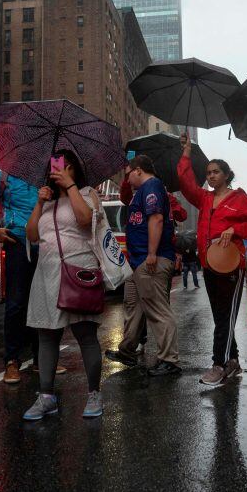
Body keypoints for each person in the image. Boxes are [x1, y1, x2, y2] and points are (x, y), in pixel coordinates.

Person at [177, 133, 247, 385]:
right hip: (209, 266)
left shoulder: (239, 199)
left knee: (225, 318)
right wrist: (186, 153)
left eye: (216, 172)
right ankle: (233, 360)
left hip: (231, 267)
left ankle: (218, 364)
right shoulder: (204, 199)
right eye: (208, 173)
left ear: (226, 174)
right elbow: (186, 183)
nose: (211, 176)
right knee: (221, 318)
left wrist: (235, 230)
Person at [22, 150, 104, 420]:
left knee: (86, 335)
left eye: (66, 166)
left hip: (79, 273)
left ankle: (94, 394)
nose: (61, 170)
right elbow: (32, 235)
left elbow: (84, 220)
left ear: (74, 169)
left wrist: (70, 187)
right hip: (46, 275)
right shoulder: (46, 200)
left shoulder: (88, 193)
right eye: (57, 166)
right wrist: (38, 203)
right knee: (46, 337)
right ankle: (46, 398)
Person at [0, 166, 67, 384]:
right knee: (16, 303)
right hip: (18, 245)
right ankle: (12, 361)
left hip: (50, 246)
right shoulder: (3, 176)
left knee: (49, 302)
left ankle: (41, 359)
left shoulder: (52, 173)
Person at [105, 155, 181, 376]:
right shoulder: (142, 191)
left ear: (138, 170)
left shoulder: (152, 186)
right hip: (137, 262)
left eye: (128, 174)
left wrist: (151, 253)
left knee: (158, 310)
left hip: (150, 260)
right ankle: (127, 350)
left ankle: (170, 360)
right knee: (133, 305)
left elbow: (156, 218)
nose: (127, 179)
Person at [118, 176, 188, 351]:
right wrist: (127, 179)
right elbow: (124, 197)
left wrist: (167, 199)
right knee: (132, 302)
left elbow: (181, 214)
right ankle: (131, 345)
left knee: (157, 306)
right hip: (135, 259)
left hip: (155, 256)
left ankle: (166, 355)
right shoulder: (138, 193)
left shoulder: (161, 193)